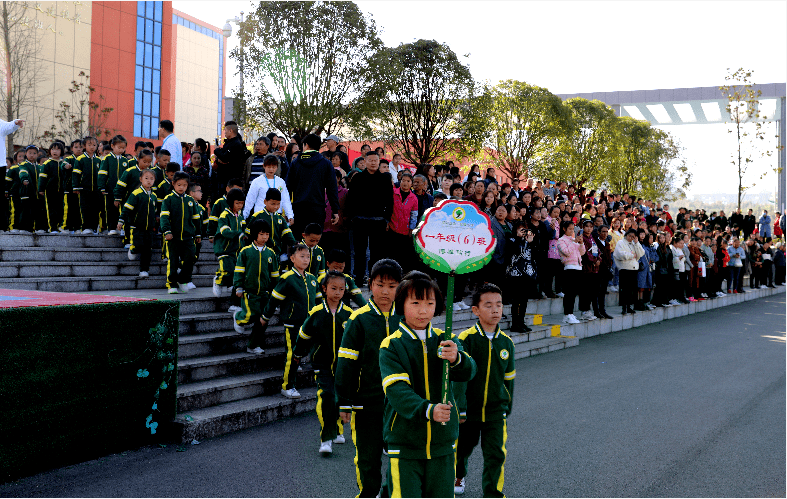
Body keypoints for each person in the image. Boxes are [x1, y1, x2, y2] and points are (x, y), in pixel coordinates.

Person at [378, 271, 476, 498]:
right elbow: (397, 392)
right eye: (416, 302)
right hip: (405, 444)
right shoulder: (391, 345)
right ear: (401, 303)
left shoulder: (446, 338)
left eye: (430, 303)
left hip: (444, 443)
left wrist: (457, 359)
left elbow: (470, 371)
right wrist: (429, 410)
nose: (423, 310)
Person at [335, 259, 403, 498]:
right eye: (380, 284)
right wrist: (344, 400)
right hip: (366, 402)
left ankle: (387, 493)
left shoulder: (406, 318)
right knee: (368, 455)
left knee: (399, 457)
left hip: (400, 404)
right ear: (370, 285)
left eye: (392, 286)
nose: (385, 291)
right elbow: (346, 364)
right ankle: (368, 493)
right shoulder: (359, 320)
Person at [454, 283, 514, 497]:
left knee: (496, 454)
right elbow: (459, 379)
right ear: (476, 310)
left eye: (499, 304)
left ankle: (493, 493)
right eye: (488, 305)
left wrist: (508, 405)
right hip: (468, 412)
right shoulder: (466, 339)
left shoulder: (507, 343)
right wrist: (460, 408)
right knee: (462, 449)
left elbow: (509, 379)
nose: (495, 309)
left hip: (496, 411)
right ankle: (458, 475)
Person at [293, 270, 354, 454]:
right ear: (324, 289)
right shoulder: (316, 312)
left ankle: (337, 431)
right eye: (333, 288)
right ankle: (326, 439)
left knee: (339, 397)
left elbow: (356, 342)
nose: (337, 292)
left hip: (343, 366)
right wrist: (298, 354)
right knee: (327, 395)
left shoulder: (350, 315)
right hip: (322, 364)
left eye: (341, 289)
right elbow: (304, 335)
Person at [261, 243, 322, 399]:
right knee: (293, 354)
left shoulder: (312, 279)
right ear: (292, 258)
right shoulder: (287, 278)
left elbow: (319, 303)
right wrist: (265, 317)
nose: (306, 259)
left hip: (309, 324)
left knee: (306, 352)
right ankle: (287, 386)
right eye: (302, 256)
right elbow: (274, 300)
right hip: (292, 324)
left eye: (308, 256)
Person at [345, 150, 393, 285]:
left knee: (377, 252)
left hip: (378, 221)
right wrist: (352, 217)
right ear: (364, 161)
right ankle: (359, 279)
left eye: (375, 160)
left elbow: (389, 201)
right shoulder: (358, 178)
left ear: (379, 162)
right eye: (370, 160)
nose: (373, 163)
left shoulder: (385, 178)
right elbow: (351, 199)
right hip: (360, 220)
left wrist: (386, 218)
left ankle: (375, 279)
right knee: (359, 252)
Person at [233, 219, 280, 354]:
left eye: (267, 234)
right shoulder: (245, 252)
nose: (265, 237)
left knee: (262, 321)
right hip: (249, 292)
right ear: (254, 234)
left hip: (265, 294)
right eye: (261, 234)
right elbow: (239, 271)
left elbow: (274, 275)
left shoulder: (270, 253)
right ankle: (239, 318)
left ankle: (253, 345)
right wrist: (238, 287)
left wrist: (275, 293)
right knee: (251, 315)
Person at [286, 133, 339, 240]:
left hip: (298, 209)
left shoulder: (295, 163)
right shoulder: (326, 163)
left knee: (299, 242)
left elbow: (288, 187)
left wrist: (287, 211)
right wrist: (335, 210)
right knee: (314, 242)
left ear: (306, 145)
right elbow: (332, 189)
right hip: (317, 209)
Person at [160, 171, 202, 294]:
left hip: (188, 237)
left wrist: (198, 234)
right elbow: (164, 217)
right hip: (173, 237)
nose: (182, 187)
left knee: (190, 258)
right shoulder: (168, 199)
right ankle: (172, 284)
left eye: (184, 185)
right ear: (173, 184)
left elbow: (196, 219)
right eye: (179, 185)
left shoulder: (190, 200)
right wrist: (167, 231)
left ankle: (183, 280)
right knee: (173, 261)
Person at [118, 169, 157, 277]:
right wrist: (121, 220)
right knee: (138, 245)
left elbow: (155, 211)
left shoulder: (153, 196)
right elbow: (127, 209)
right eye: (146, 178)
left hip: (149, 228)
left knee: (148, 250)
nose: (149, 181)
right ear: (140, 179)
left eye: (151, 179)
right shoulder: (136, 194)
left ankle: (144, 270)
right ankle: (133, 249)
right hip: (136, 227)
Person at [245, 188, 298, 269]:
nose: (276, 207)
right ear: (265, 201)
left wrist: (295, 244)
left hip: (276, 253)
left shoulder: (280, 218)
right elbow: (248, 235)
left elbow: (287, 234)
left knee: (275, 276)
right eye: (273, 204)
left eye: (278, 204)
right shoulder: (257, 216)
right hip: (260, 253)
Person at [212, 188, 246, 301]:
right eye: (237, 203)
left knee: (235, 271)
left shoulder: (240, 216)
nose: (240, 205)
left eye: (242, 203)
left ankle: (227, 284)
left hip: (235, 250)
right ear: (231, 202)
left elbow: (244, 230)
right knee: (228, 270)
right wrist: (239, 234)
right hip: (223, 249)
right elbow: (225, 232)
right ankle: (218, 280)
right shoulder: (224, 215)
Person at [504, 221, 537, 332]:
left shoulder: (528, 242)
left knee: (524, 300)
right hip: (515, 274)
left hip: (527, 274)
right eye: (520, 229)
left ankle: (521, 322)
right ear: (515, 230)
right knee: (516, 299)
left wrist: (531, 242)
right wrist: (519, 239)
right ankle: (515, 324)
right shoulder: (511, 240)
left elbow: (534, 255)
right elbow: (513, 253)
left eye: (525, 229)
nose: (523, 232)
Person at [243, 155, 293, 224]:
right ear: (264, 166)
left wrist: (290, 215)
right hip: (260, 215)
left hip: (276, 215)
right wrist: (244, 216)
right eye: (269, 167)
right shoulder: (257, 181)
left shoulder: (281, 182)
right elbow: (250, 200)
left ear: (277, 167)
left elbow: (285, 199)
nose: (271, 169)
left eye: (273, 167)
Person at [97, 135, 129, 235]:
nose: (121, 150)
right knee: (111, 210)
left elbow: (128, 176)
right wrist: (102, 187)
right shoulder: (107, 159)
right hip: (110, 189)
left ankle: (122, 229)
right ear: (112, 146)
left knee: (123, 209)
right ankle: (112, 228)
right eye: (119, 147)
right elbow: (102, 173)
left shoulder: (125, 161)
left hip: (123, 191)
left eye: (123, 148)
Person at [388, 171, 418, 274]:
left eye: (408, 181)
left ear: (411, 183)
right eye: (403, 180)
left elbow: (414, 215)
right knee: (390, 254)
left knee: (402, 256)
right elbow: (387, 209)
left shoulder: (414, 198)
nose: (405, 183)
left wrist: (411, 229)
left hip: (405, 232)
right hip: (391, 228)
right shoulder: (393, 192)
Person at [72, 137, 103, 233]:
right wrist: (76, 186)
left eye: (94, 145)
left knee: (95, 209)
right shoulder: (80, 159)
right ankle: (86, 227)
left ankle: (94, 227)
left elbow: (102, 175)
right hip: (84, 189)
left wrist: (101, 187)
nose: (92, 147)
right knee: (85, 208)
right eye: (89, 145)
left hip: (96, 189)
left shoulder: (98, 160)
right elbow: (76, 174)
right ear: (84, 146)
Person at [557, 220, 585, 324]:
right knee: (568, 292)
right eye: (569, 229)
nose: (571, 231)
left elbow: (582, 253)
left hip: (578, 267)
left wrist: (581, 243)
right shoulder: (561, 240)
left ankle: (571, 313)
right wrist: (574, 242)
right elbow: (567, 252)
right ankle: (566, 314)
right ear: (564, 229)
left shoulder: (573, 239)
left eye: (573, 229)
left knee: (573, 292)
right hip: (569, 268)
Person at [36, 142, 66, 233]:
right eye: (53, 149)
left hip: (62, 190)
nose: (55, 151)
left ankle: (60, 226)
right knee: (51, 209)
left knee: (61, 209)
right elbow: (42, 177)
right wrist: (41, 189)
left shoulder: (63, 164)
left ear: (62, 151)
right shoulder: (47, 163)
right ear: (49, 151)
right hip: (50, 190)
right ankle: (52, 227)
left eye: (57, 149)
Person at [213, 121, 251, 193]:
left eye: (225, 130)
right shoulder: (228, 143)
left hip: (230, 178)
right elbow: (223, 158)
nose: (224, 132)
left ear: (230, 131)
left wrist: (217, 150)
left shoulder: (236, 144)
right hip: (223, 178)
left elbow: (225, 158)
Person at [578, 219, 601, 320]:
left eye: (591, 227)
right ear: (583, 227)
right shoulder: (581, 238)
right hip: (585, 268)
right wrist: (593, 261)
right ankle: (584, 311)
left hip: (594, 269)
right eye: (587, 226)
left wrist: (598, 259)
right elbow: (585, 253)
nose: (589, 228)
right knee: (585, 291)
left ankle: (588, 310)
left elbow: (598, 251)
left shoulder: (592, 238)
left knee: (592, 291)